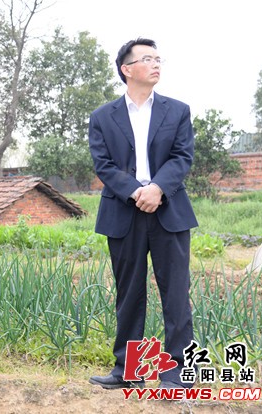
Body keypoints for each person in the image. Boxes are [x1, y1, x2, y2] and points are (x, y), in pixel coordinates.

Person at [88, 37, 197, 389]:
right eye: (147, 58)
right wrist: (136, 191)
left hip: (170, 210)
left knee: (176, 293)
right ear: (127, 69)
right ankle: (129, 371)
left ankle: (177, 372)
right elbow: (103, 165)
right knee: (129, 293)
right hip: (124, 211)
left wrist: (157, 188)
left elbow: (182, 157)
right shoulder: (103, 116)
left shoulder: (177, 110)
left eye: (158, 59)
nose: (156, 64)